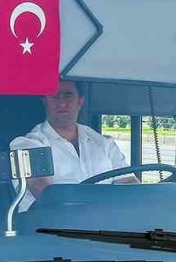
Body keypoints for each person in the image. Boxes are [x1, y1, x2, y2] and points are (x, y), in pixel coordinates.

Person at [10, 79, 136, 211]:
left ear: (80, 101)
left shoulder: (105, 143)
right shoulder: (27, 145)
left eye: (68, 95)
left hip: (105, 223)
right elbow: (46, 194)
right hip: (48, 226)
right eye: (54, 96)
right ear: (45, 101)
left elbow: (129, 184)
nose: (62, 102)